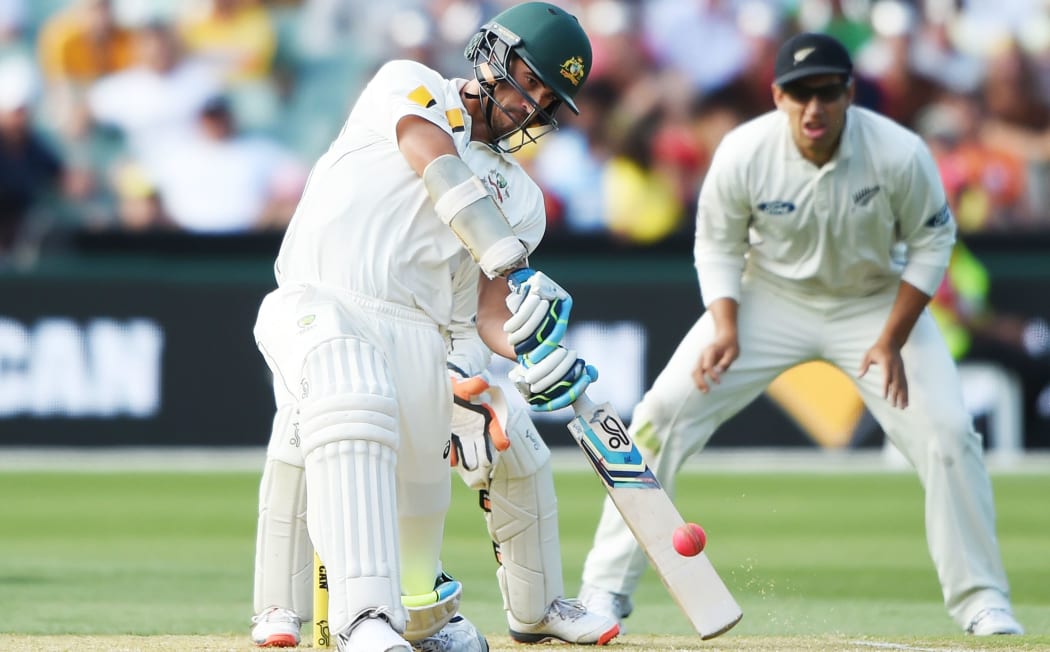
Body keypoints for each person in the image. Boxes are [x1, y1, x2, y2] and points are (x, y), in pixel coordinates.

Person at [577, 32, 1024, 637]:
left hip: (874, 305)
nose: (813, 107)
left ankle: (982, 601)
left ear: (848, 94)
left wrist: (893, 336)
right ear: (777, 97)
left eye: (826, 92)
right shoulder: (743, 151)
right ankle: (603, 591)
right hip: (768, 300)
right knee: (658, 415)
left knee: (949, 434)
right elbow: (715, 242)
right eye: (798, 93)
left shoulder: (898, 152)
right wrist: (727, 323)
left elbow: (932, 242)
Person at [250, 3, 601, 651]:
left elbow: (489, 312)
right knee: (349, 394)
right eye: (531, 80)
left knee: (497, 444)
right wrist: (507, 256)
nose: (533, 106)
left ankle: (493, 610)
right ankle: (363, 621)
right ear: (494, 55)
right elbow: (432, 158)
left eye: (550, 99)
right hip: (321, 299)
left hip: (421, 338)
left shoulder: (522, 198)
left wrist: (532, 345)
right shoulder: (409, 85)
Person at [249, 330, 620, 648]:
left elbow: (478, 317)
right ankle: (278, 606)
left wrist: (516, 353)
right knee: (307, 428)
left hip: (431, 360)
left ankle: (538, 609)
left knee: (516, 442)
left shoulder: (491, 246)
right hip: (338, 346)